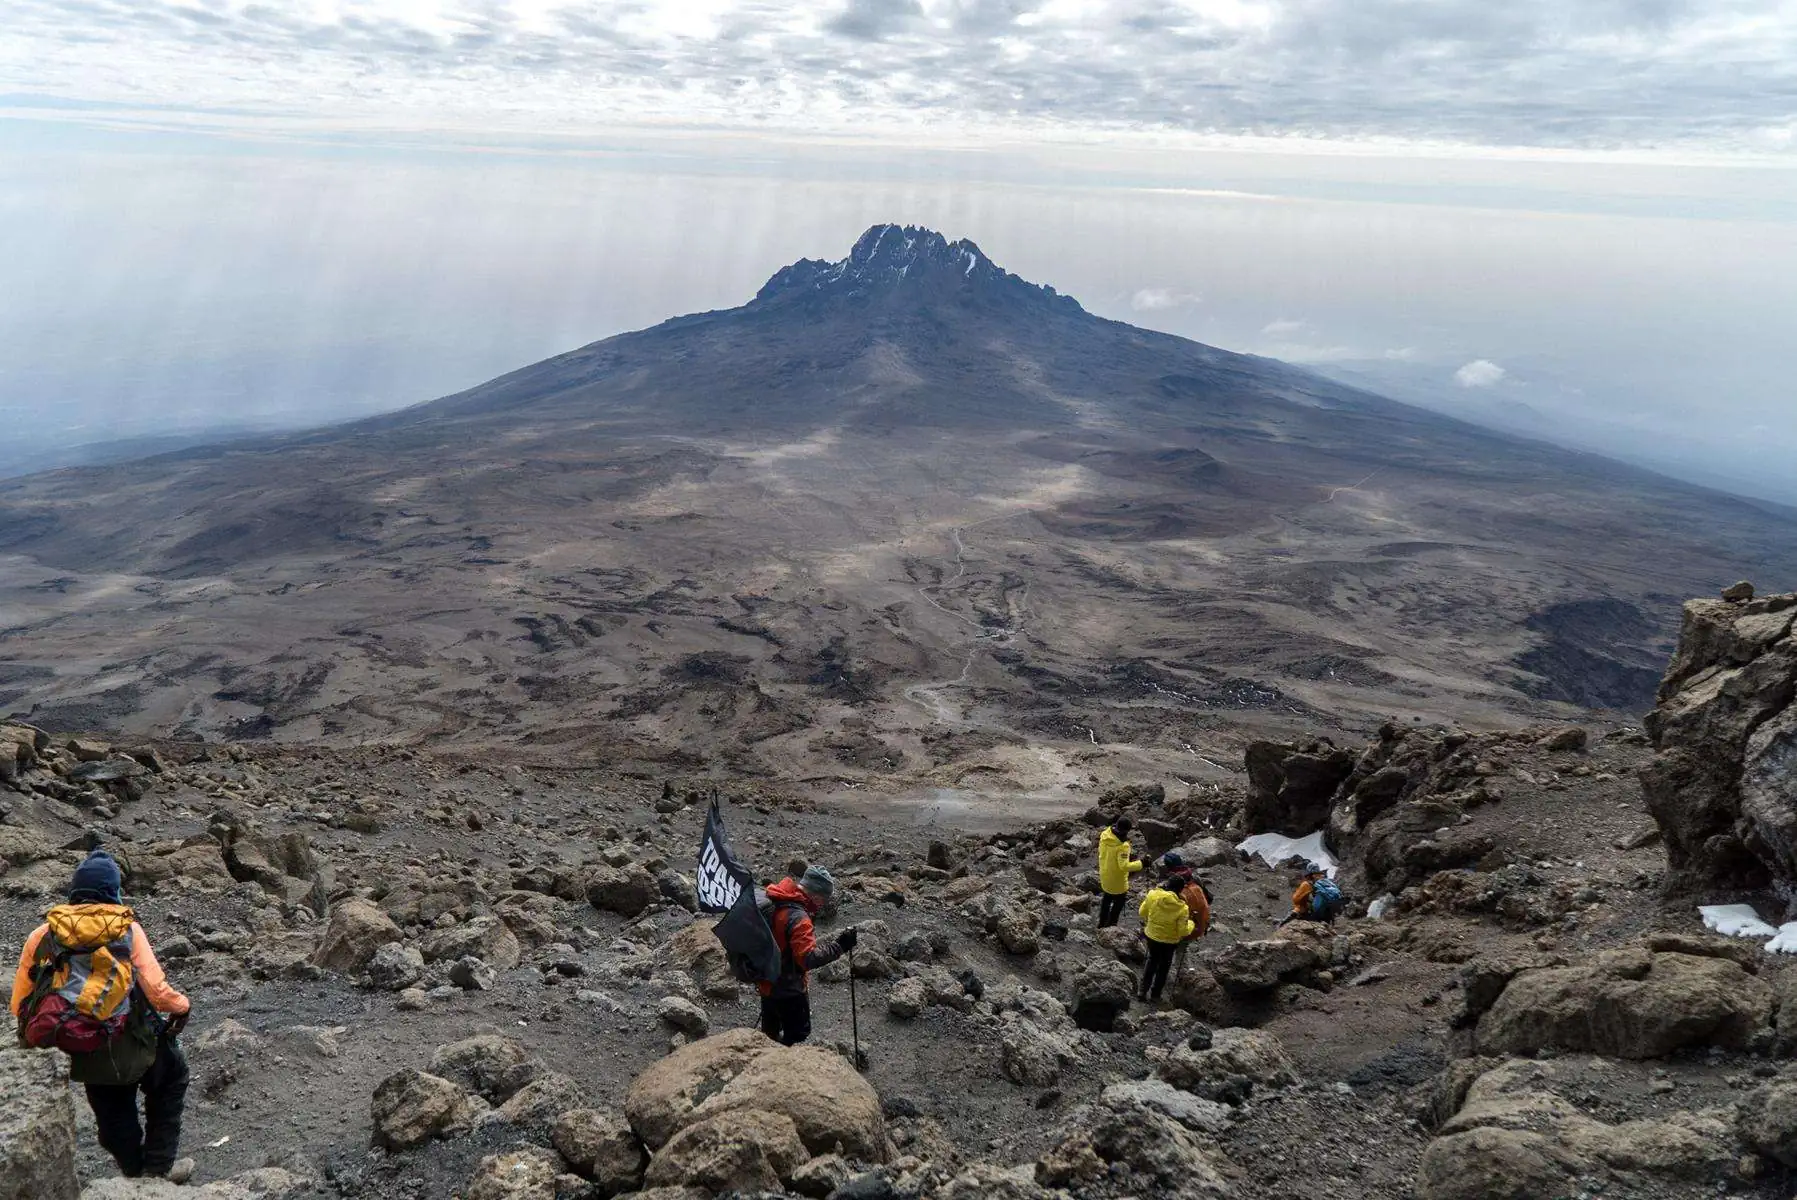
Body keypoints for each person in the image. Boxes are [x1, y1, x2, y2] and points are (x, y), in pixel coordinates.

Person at [11, 849, 193, 1182]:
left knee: (112, 1113)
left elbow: (19, 1003)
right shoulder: (127, 929)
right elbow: (156, 991)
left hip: (85, 1042)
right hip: (132, 1038)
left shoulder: (43, 935)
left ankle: (135, 1172)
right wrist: (183, 1006)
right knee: (172, 1077)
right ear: (114, 891)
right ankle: (156, 1171)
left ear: (74, 890)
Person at [757, 865, 857, 1046]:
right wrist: (839, 946)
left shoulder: (773, 899)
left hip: (766, 982)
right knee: (797, 1037)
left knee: (769, 1036)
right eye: (823, 901)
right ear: (817, 895)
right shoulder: (798, 917)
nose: (821, 906)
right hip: (789, 990)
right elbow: (807, 959)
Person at [1137, 867, 1196, 1003]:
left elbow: (1142, 912)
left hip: (1152, 936)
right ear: (1180, 890)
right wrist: (1191, 923)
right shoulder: (1182, 908)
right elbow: (1183, 931)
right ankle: (1155, 995)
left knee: (1151, 961)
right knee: (1164, 967)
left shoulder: (1153, 896)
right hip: (1169, 942)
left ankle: (1142, 990)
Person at [1161, 852, 1211, 981]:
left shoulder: (1175, 887)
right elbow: (1209, 898)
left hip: (1185, 925)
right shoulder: (1194, 878)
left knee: (1173, 947)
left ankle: (1180, 977)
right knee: (1182, 949)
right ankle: (1184, 974)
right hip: (1200, 921)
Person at [1096, 817, 1143, 929]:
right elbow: (1124, 866)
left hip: (1105, 875)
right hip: (1118, 882)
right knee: (1117, 905)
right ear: (1126, 830)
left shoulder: (1105, 836)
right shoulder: (1123, 846)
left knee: (1106, 901)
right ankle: (1111, 926)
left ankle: (1101, 924)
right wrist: (1142, 863)